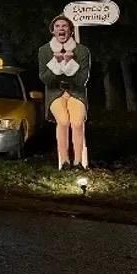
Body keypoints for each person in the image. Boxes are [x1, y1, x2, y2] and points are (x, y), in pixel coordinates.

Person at [38, 15, 91, 170]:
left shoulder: (82, 51)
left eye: (64, 26)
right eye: (57, 26)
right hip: (55, 92)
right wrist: (56, 63)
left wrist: (69, 62)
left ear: (71, 30)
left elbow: (81, 79)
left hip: (76, 92)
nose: (61, 29)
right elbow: (46, 79)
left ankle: (78, 162)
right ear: (53, 31)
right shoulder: (44, 50)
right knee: (63, 121)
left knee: (77, 123)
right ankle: (65, 161)